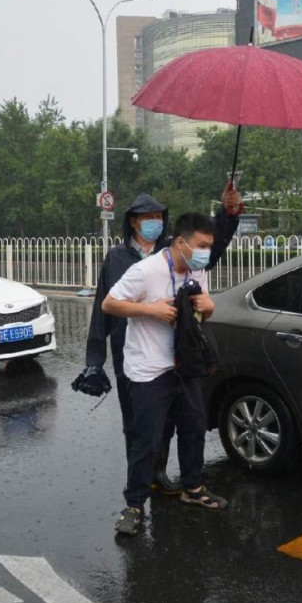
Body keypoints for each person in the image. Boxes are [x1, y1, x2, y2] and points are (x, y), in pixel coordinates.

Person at [73, 185, 242, 495]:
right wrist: (94, 361)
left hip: (175, 350)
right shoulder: (117, 258)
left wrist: (228, 213)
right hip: (131, 352)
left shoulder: (175, 251)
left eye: (158, 216)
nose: (154, 222)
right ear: (134, 222)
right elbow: (104, 308)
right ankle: (138, 478)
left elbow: (208, 245)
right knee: (139, 422)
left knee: (170, 418)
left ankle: (157, 471)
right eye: (146, 217)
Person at [102, 212, 228, 537]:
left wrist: (208, 307)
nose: (206, 252)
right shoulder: (145, 271)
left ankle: (193, 488)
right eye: (202, 245)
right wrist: (151, 309)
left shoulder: (197, 269)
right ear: (181, 242)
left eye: (210, 246)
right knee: (147, 440)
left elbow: (201, 312)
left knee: (194, 428)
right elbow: (110, 304)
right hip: (147, 369)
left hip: (184, 365)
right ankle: (134, 506)